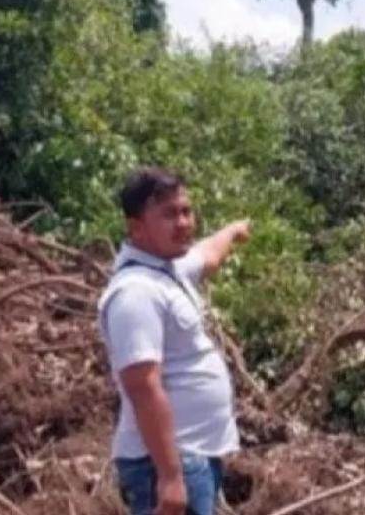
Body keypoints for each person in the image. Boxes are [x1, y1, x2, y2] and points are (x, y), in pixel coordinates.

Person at [97, 168, 251, 515]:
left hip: (193, 456)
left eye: (186, 211)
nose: (183, 223)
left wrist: (233, 231)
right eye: (168, 215)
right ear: (136, 226)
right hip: (169, 463)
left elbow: (208, 255)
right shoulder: (136, 292)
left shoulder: (169, 269)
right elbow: (142, 386)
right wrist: (170, 477)